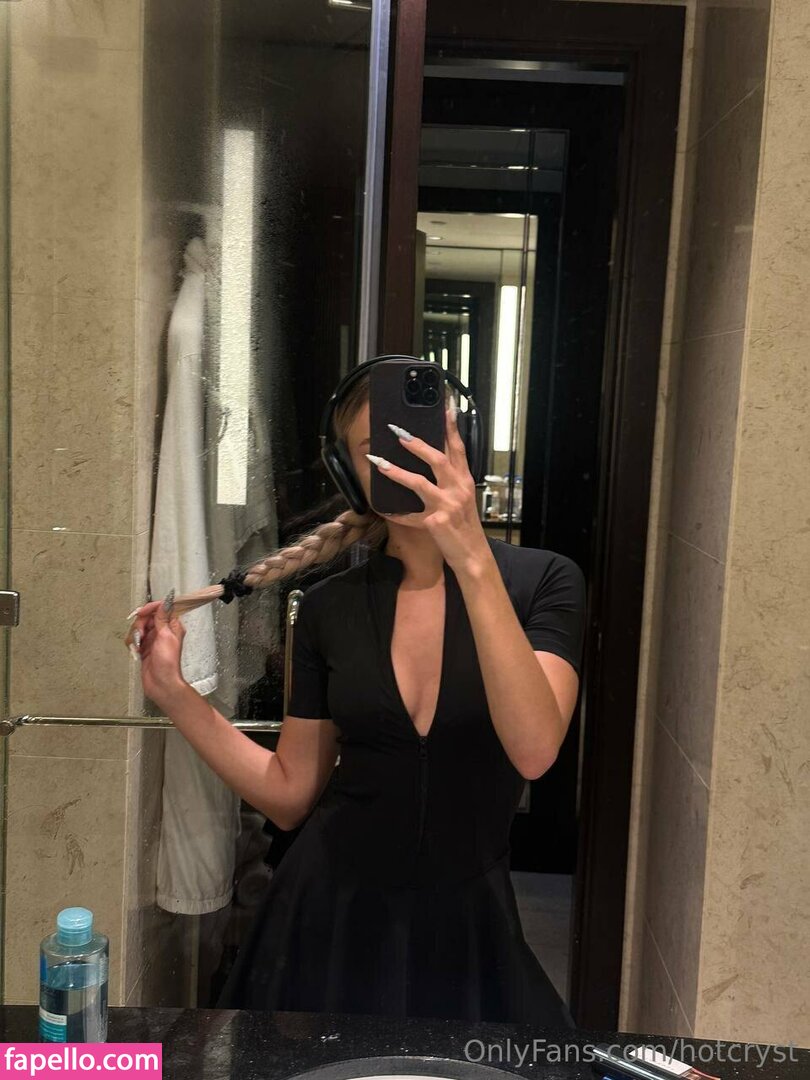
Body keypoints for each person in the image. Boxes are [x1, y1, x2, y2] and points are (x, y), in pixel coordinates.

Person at [125, 369, 586, 1026]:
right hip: (324, 919)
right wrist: (174, 694)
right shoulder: (328, 608)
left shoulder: (545, 582)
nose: (406, 461)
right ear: (350, 473)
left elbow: (535, 748)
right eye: (379, 449)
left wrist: (471, 557)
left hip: (468, 925)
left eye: (423, 438)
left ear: (464, 449)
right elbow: (289, 794)